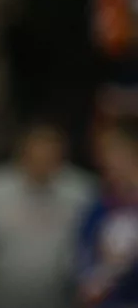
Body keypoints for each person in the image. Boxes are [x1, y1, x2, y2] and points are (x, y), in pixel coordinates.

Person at [0, 123, 95, 308]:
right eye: (37, 156)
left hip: (62, 300)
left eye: (50, 157)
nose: (43, 163)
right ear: (22, 154)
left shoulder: (82, 193)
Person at [78, 118, 138, 307]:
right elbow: (83, 255)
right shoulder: (98, 207)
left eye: (113, 152)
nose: (104, 161)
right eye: (102, 154)